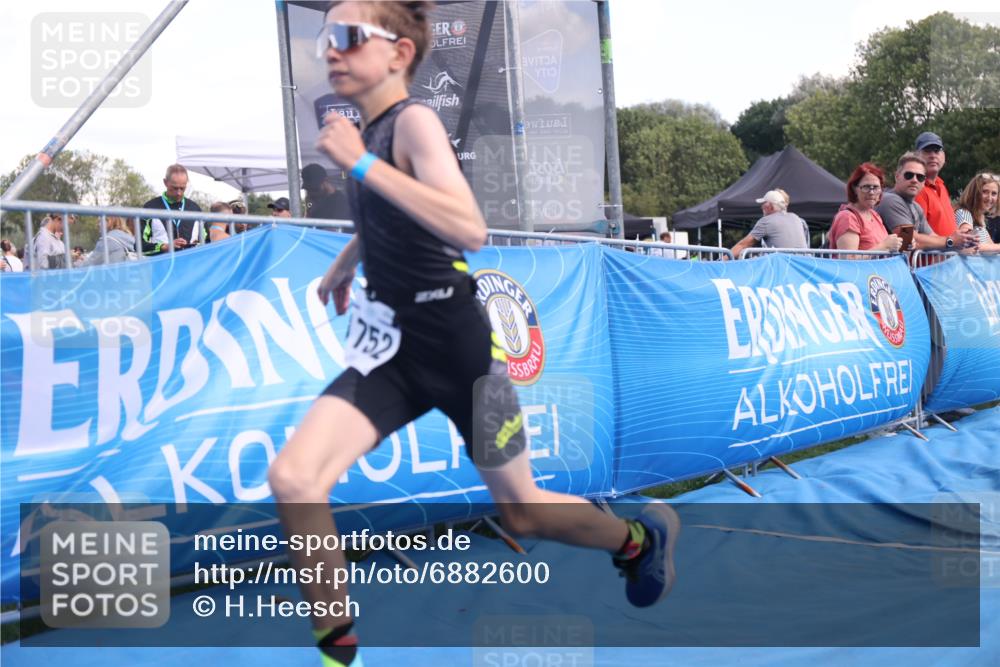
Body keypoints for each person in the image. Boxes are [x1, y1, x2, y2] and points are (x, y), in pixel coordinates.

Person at [267, 4, 680, 666]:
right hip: (393, 350)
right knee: (294, 476)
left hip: (462, 349)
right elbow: (393, 216)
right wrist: (348, 262)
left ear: (399, 53)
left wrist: (361, 166)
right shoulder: (368, 133)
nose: (329, 52)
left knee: (523, 511)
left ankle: (637, 538)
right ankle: (339, 658)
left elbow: (468, 227)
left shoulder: (414, 122)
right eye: (325, 38)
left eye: (346, 38)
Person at [876, 152, 978, 251]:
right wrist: (951, 241)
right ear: (897, 176)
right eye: (909, 175)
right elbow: (908, 240)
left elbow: (933, 237)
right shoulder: (890, 200)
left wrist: (962, 242)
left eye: (920, 177)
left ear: (924, 181)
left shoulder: (916, 206)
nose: (914, 180)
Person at [827, 163, 902, 254]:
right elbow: (849, 260)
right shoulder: (847, 217)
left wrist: (899, 245)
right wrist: (884, 245)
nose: (871, 192)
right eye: (866, 187)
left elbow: (883, 249)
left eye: (876, 187)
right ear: (855, 189)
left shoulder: (874, 215)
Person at [139, 164, 206, 255]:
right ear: (165, 182)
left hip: (190, 266)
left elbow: (206, 242)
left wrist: (196, 244)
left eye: (182, 188)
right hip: (162, 267)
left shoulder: (195, 208)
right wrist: (165, 247)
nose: (179, 193)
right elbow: (139, 245)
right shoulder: (150, 207)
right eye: (174, 188)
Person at [730, 189, 809, 259]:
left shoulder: (766, 221)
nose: (761, 207)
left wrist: (721, 260)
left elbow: (743, 245)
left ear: (770, 206)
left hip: (783, 269)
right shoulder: (797, 218)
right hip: (804, 267)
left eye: (764, 204)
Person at [912, 132, 955, 237]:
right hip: (931, 253)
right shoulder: (916, 188)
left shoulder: (941, 186)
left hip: (949, 253)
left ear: (944, 156)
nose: (933, 155)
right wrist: (950, 243)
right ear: (916, 156)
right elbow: (916, 235)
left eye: (936, 151)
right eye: (927, 151)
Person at [955, 172, 1000, 251]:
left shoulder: (980, 218)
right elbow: (971, 246)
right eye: (985, 191)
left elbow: (991, 247)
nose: (989, 198)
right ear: (974, 193)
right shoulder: (964, 213)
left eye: (994, 193)